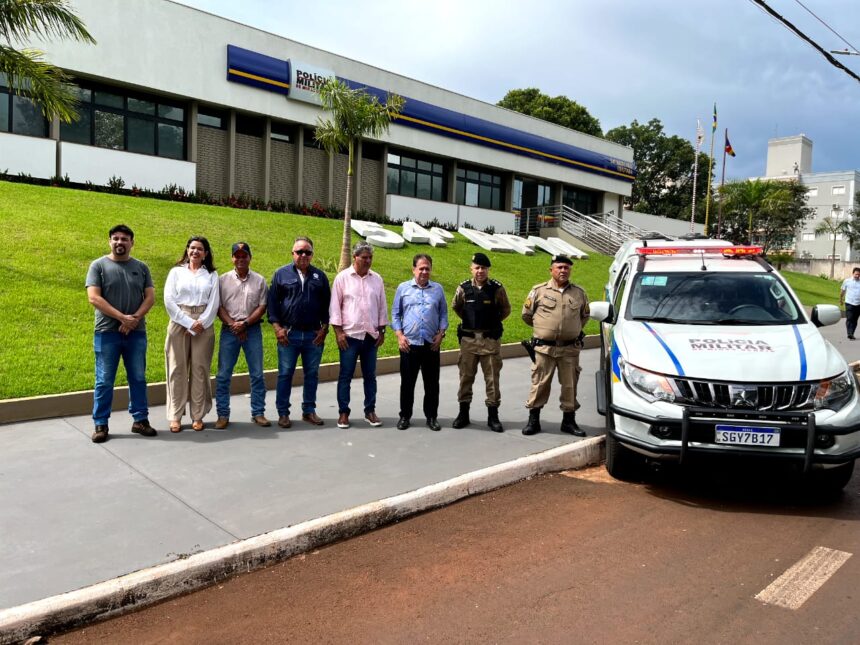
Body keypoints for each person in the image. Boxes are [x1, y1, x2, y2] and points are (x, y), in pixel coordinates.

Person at [85, 224, 157, 443]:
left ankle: (140, 420)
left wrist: (133, 319)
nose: (119, 242)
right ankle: (101, 424)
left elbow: (150, 298)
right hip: (107, 333)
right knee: (104, 380)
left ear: (132, 243)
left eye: (124, 239)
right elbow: (94, 298)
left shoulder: (141, 267)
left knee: (137, 377)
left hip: (135, 333)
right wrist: (122, 318)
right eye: (115, 238)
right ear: (109, 241)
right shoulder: (98, 266)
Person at [521, 254, 589, 437]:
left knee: (570, 385)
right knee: (540, 383)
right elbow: (527, 315)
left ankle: (569, 421)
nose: (563, 271)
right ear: (551, 270)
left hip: (569, 349)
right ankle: (533, 420)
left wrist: (571, 330)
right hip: (545, 349)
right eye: (559, 267)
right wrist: (545, 330)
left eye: (566, 268)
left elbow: (584, 316)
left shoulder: (579, 293)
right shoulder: (539, 291)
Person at [268, 236, 330, 428]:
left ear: (312, 255)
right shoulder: (281, 274)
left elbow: (329, 307)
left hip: (313, 336)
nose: (303, 255)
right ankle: (283, 413)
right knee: (285, 374)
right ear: (292, 253)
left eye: (307, 252)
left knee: (312, 374)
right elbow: (272, 305)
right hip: (289, 335)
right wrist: (278, 328)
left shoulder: (320, 277)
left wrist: (325, 329)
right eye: (299, 252)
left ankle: (308, 411)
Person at [329, 242, 389, 429]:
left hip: (370, 337)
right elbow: (335, 307)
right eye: (364, 257)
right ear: (355, 257)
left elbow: (382, 306)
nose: (368, 261)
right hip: (349, 336)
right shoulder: (342, 278)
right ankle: (343, 413)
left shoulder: (377, 279)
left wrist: (382, 330)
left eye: (370, 257)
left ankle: (369, 410)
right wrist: (338, 333)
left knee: (370, 375)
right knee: (345, 375)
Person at [163, 236, 220, 432]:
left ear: (205, 254)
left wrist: (200, 323)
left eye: (200, 249)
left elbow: (214, 303)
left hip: (204, 324)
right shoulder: (176, 272)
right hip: (180, 319)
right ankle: (175, 416)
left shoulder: (212, 275)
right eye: (192, 248)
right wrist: (188, 322)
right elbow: (169, 300)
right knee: (176, 369)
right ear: (187, 250)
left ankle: (198, 415)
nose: (195, 251)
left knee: (200, 369)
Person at [451, 252, 511, 432]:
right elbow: (457, 307)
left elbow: (505, 309)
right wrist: (470, 321)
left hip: (489, 341)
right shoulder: (463, 288)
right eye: (477, 267)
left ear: (488, 270)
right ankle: (463, 414)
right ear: (471, 268)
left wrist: (492, 322)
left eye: (483, 268)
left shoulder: (497, 288)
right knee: (465, 377)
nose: (480, 271)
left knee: (492, 379)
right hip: (469, 340)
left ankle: (493, 416)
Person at [214, 242, 270, 429]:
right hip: (229, 330)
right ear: (232, 258)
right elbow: (218, 306)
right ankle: (223, 415)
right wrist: (233, 325)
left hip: (252, 329)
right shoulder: (222, 280)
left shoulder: (260, 280)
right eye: (236, 256)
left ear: (250, 257)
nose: (240, 259)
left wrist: (245, 324)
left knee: (257, 374)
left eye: (244, 255)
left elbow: (262, 307)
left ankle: (258, 413)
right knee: (223, 375)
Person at [391, 253, 448, 431]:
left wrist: (441, 333)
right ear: (413, 269)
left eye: (427, 268)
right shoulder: (403, 288)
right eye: (421, 268)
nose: (424, 271)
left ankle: (431, 417)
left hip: (431, 344)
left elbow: (444, 314)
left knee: (432, 384)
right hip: (409, 345)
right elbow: (395, 314)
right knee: (407, 383)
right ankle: (405, 416)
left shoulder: (437, 289)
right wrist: (400, 336)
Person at [840, 267, 860, 340]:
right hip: (849, 302)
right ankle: (849, 333)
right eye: (856, 274)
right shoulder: (847, 281)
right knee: (849, 318)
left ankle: (852, 333)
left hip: (858, 304)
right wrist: (841, 299)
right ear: (853, 273)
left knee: (855, 320)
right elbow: (842, 290)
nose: (857, 276)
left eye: (858, 275)